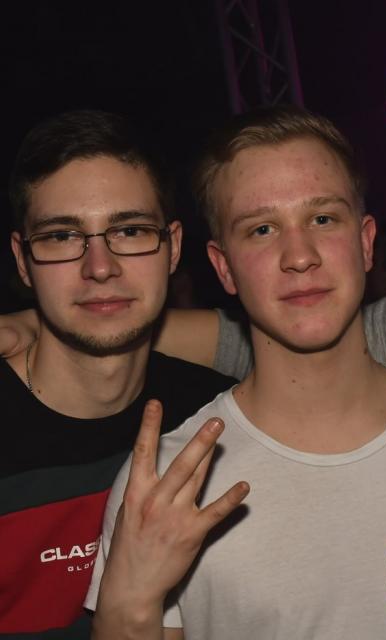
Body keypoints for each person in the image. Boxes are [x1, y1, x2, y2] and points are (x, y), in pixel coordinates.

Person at [86, 106, 386, 639]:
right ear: (224, 267)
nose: (299, 256)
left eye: (323, 219)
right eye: (261, 229)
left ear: (365, 242)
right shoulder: (168, 478)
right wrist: (130, 601)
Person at [0, 110, 239, 639]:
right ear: (22, 260)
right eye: (61, 236)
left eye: (130, 231)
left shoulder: (218, 421)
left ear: (173, 247)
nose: (100, 267)